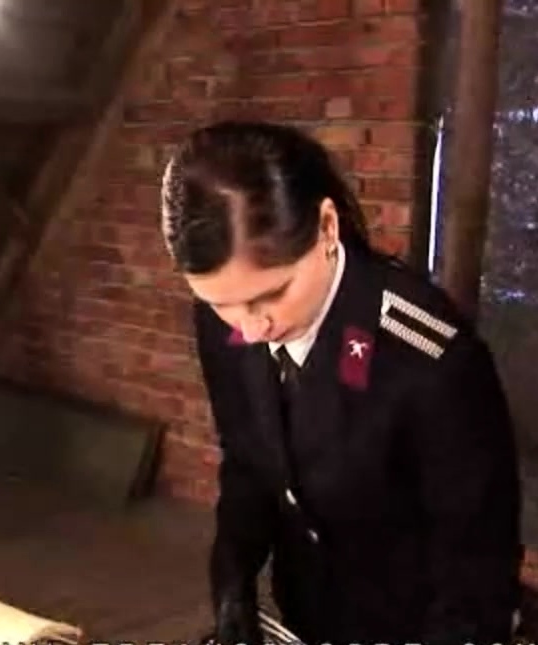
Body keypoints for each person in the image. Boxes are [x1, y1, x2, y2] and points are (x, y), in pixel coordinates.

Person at [159, 121, 523, 644]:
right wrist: (232, 579)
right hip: (306, 611)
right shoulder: (224, 321)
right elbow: (248, 458)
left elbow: (477, 568)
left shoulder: (427, 355)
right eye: (221, 303)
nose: (251, 328)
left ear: (327, 227)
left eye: (272, 295)